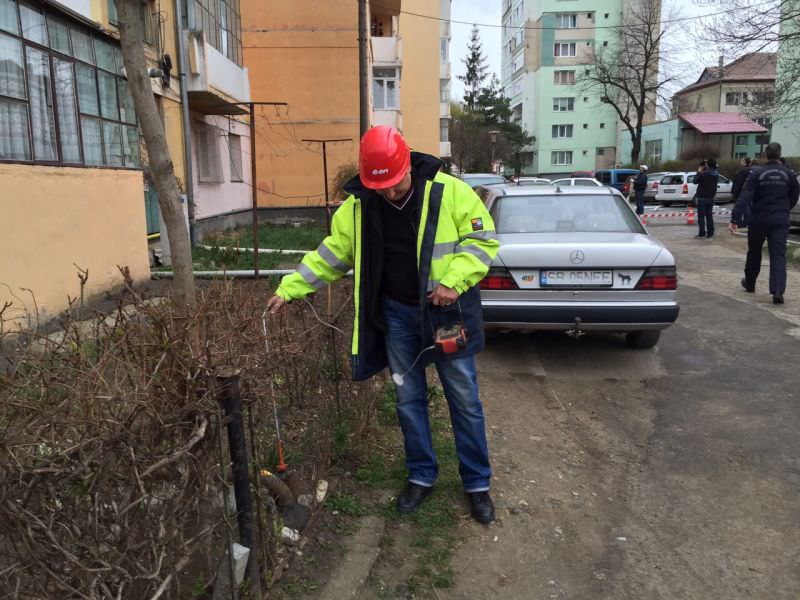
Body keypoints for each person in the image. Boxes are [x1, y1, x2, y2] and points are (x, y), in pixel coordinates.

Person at [266, 126, 500, 523]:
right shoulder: (358, 207)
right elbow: (330, 255)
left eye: (395, 185)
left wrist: (451, 281)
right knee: (408, 401)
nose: (390, 194)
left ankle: (477, 484)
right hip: (397, 315)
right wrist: (290, 289)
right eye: (382, 188)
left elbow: (482, 244)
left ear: (407, 164)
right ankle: (421, 477)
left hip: (445, 315)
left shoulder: (451, 192)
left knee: (464, 399)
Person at [729, 142, 799, 304]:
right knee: (778, 255)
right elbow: (794, 195)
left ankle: (750, 283)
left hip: (759, 219)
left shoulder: (757, 174)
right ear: (780, 154)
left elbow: (745, 196)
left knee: (754, 252)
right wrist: (784, 209)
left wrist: (735, 218)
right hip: (780, 220)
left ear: (766, 155)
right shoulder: (788, 174)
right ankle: (778, 291)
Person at [694, 158, 719, 238]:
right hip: (711, 197)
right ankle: (710, 232)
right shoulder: (716, 174)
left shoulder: (703, 174)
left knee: (701, 216)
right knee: (709, 215)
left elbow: (695, 181)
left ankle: (702, 233)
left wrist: (699, 171)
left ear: (707, 165)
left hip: (702, 197)